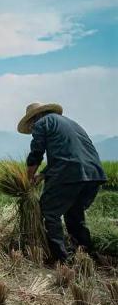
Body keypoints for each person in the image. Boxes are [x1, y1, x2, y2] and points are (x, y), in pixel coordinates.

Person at [17, 102, 107, 263]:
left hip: (70, 173)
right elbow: (70, 154)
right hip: (94, 173)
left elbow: (36, 152)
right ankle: (86, 255)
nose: (31, 130)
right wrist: (42, 175)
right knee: (74, 213)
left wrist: (28, 177)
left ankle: (60, 260)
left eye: (30, 128)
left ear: (33, 119)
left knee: (49, 211)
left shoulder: (41, 123)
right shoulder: (68, 123)